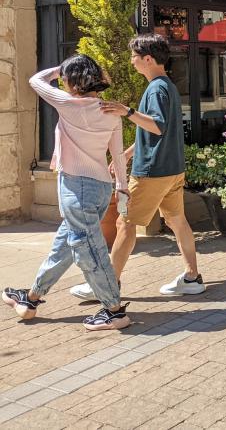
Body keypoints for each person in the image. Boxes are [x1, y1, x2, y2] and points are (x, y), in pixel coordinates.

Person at [70, 34, 205, 303]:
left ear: (148, 59)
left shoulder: (156, 89)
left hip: (153, 172)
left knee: (124, 223)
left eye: (134, 56)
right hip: (172, 168)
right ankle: (192, 278)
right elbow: (157, 131)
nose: (131, 61)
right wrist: (129, 152)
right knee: (177, 221)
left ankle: (107, 284)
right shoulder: (166, 86)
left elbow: (157, 125)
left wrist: (126, 111)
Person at [4, 56, 131, 330]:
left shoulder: (68, 103)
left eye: (66, 78)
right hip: (100, 187)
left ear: (73, 80)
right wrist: (122, 187)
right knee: (64, 246)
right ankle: (31, 299)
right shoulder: (111, 110)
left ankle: (114, 310)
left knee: (89, 250)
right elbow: (118, 153)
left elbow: (36, 80)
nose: (62, 82)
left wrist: (59, 68)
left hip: (76, 187)